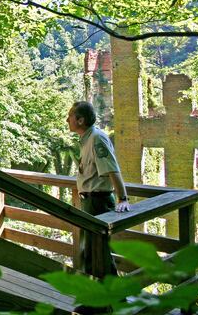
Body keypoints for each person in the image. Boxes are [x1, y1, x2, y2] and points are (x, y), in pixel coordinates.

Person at [67, 101, 130, 277]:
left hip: (98, 202)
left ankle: (114, 298)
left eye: (70, 116)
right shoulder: (86, 140)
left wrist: (123, 198)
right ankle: (104, 298)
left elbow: (112, 169)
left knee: (96, 252)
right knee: (91, 253)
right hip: (89, 202)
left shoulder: (96, 139)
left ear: (80, 120)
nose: (67, 120)